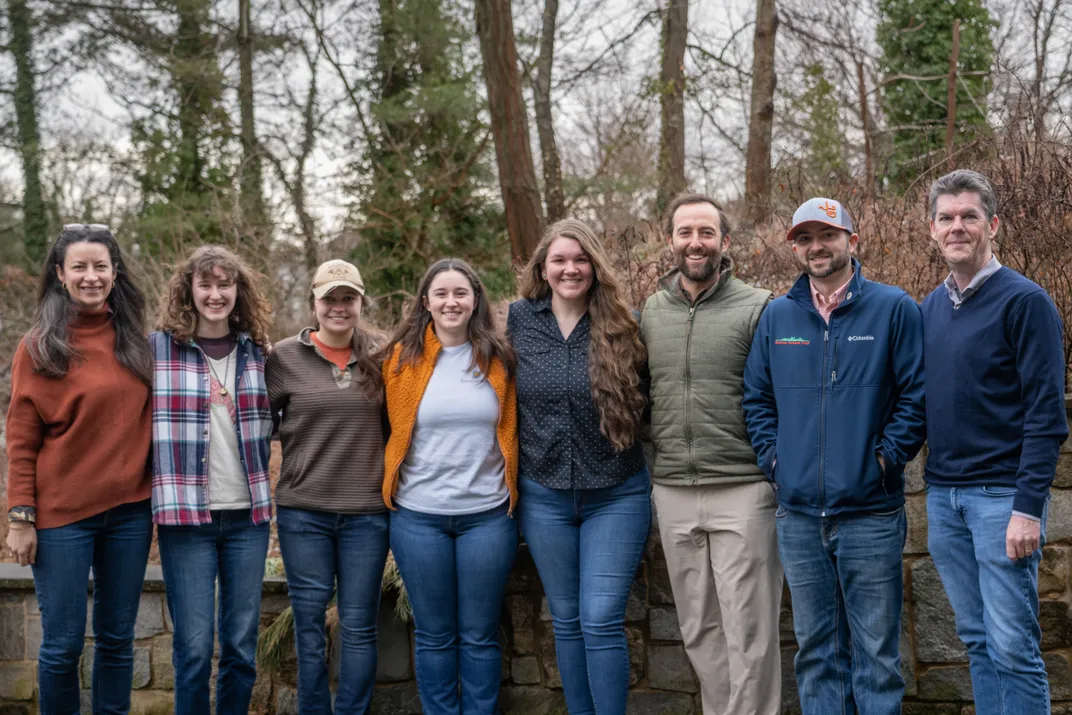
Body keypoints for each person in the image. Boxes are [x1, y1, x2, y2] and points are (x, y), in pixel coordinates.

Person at [742, 198, 926, 715]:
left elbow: (916, 397)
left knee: (876, 656)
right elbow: (756, 399)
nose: (817, 247)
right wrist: (776, 462)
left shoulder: (894, 308)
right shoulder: (779, 315)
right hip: (798, 516)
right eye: (805, 238)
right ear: (795, 247)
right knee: (817, 654)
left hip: (870, 512)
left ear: (852, 239)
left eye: (828, 235)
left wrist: (883, 462)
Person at [921, 170, 1068, 715]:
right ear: (932, 230)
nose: (957, 227)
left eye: (969, 216)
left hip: (1001, 499)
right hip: (944, 500)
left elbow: (1047, 414)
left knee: (1012, 645)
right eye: (946, 218)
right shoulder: (929, 309)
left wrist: (1027, 508)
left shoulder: (1025, 303)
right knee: (978, 641)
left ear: (993, 225)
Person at [5, 224, 154, 714]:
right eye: (80, 267)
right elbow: (22, 441)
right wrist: (20, 516)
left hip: (130, 515)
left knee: (117, 640)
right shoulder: (40, 346)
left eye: (101, 266)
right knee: (63, 645)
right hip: (62, 517)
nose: (91, 276)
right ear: (60, 275)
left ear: (115, 273)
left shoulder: (138, 343)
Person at [640, 193, 780, 715]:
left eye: (705, 233)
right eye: (684, 233)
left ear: (725, 241)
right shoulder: (652, 311)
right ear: (670, 241)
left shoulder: (760, 306)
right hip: (673, 487)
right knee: (699, 628)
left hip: (743, 487)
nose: (694, 243)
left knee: (750, 627)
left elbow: (779, 396)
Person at [509, 219, 650, 715]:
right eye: (559, 260)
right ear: (542, 269)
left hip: (616, 491)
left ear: (595, 265)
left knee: (600, 618)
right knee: (566, 619)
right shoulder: (516, 322)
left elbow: (653, 399)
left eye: (581, 259)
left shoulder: (624, 323)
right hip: (543, 493)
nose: (571, 269)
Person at [381, 258, 518, 715]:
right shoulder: (400, 362)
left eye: (460, 292)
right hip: (418, 517)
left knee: (479, 635)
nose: (451, 301)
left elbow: (514, 429)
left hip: (488, 516)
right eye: (441, 293)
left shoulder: (499, 359)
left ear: (476, 299)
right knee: (435, 635)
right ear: (426, 302)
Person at [149, 245, 275, 715]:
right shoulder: (157, 350)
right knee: (195, 649)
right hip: (186, 521)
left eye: (225, 284)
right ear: (189, 291)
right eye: (206, 284)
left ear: (239, 290)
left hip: (248, 519)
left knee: (241, 649)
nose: (216, 294)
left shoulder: (259, 353)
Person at [266, 259, 389, 715]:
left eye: (348, 298)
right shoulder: (281, 358)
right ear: (313, 304)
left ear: (360, 302)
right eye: (329, 298)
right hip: (304, 513)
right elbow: (257, 425)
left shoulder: (383, 355)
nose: (338, 307)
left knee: (359, 626)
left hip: (367, 514)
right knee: (309, 625)